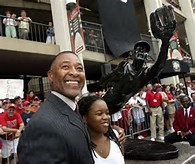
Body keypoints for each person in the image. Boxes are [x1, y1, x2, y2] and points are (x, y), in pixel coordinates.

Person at [17, 51, 124, 163]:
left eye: (79, 68)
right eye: (65, 67)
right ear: (51, 75)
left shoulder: (72, 111)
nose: (74, 73)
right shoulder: (43, 125)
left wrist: (112, 131)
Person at [100, 5, 176, 115]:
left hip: (116, 107)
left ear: (146, 57)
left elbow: (160, 64)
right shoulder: (124, 66)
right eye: (139, 49)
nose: (141, 51)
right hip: (105, 102)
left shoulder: (145, 74)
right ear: (133, 53)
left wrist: (165, 42)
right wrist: (114, 75)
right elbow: (104, 82)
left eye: (145, 51)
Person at [78, 95, 125, 164]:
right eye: (99, 114)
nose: (106, 117)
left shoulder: (116, 136)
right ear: (85, 118)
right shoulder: (79, 146)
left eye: (107, 113)